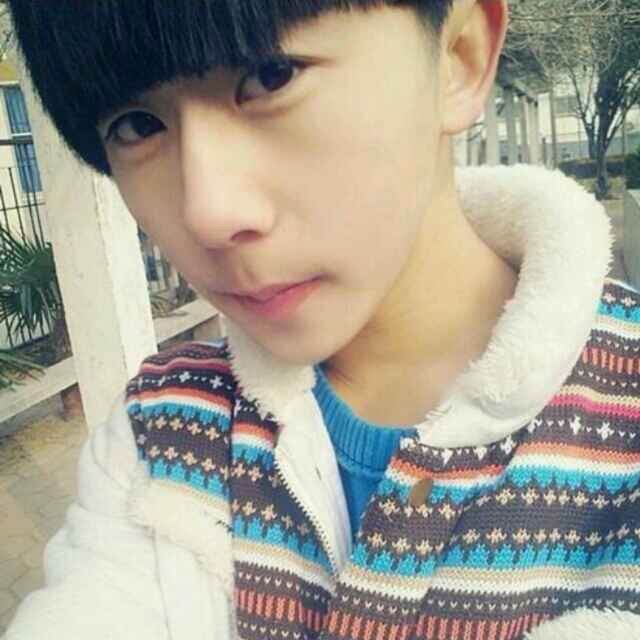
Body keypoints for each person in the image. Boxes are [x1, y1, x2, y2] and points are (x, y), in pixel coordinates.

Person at [4, 1, 640, 638]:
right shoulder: (161, 432)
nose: (208, 213)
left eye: (271, 76)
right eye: (137, 125)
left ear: (459, 58)